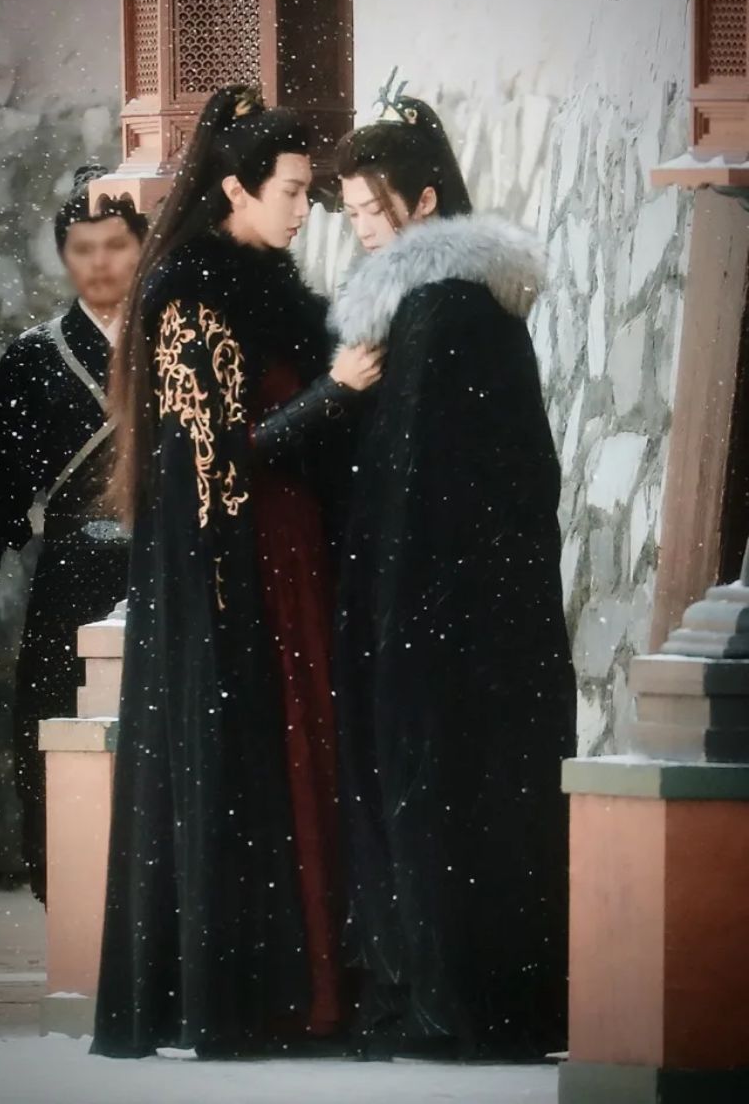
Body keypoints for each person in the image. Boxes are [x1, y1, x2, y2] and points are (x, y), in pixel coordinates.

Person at [91, 85, 381, 1060]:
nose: (303, 208)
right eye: (291, 191)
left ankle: (314, 991)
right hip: (236, 565)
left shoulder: (274, 286)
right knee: (258, 760)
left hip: (293, 559)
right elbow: (215, 456)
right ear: (234, 188)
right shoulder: (189, 294)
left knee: (305, 755)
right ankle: (254, 996)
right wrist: (332, 395)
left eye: (305, 190)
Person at [331, 93, 576, 1060]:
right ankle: (478, 998)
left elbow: (424, 484)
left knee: (445, 796)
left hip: (444, 615)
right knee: (478, 799)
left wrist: (396, 607)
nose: (359, 228)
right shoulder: (452, 303)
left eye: (371, 208)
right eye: (351, 211)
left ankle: (453, 1003)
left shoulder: (441, 310)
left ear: (423, 201)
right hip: (473, 612)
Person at [0, 166, 147, 904]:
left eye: (116, 245)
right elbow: (0, 482)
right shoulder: (37, 355)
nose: (101, 263)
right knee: (60, 725)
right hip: (71, 571)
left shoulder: (171, 342)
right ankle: (69, 882)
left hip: (161, 564)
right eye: (84, 247)